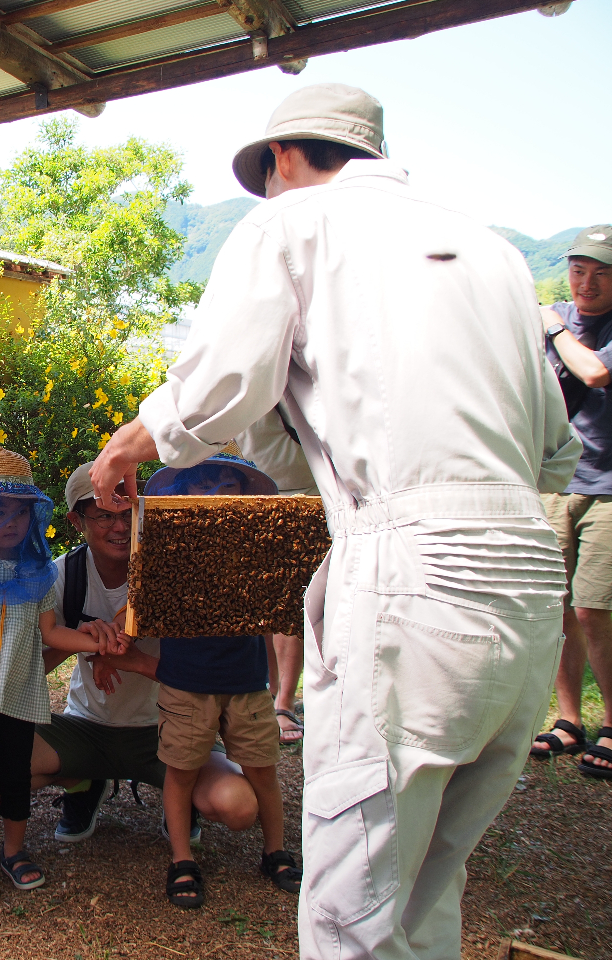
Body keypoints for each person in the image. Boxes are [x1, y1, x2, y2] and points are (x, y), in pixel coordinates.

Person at [90, 84, 579, 959]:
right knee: (429, 881)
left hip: (412, 572)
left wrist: (129, 447)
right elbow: (554, 453)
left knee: (354, 896)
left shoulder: (291, 226)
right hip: (530, 575)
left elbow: (216, 386)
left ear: (284, 160)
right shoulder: (497, 253)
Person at [36, 462, 264, 845]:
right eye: (104, 516)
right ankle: (84, 785)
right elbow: (28, 668)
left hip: (168, 731)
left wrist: (132, 660)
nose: (121, 527)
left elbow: (213, 675)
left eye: (129, 513)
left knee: (237, 806)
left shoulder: (176, 572)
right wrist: (81, 639)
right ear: (77, 521)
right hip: (86, 728)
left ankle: (183, 797)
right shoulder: (61, 578)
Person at [0, 448, 120, 899]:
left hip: (19, 691)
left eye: (19, 512)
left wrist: (98, 642)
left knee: (15, 775)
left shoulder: (35, 573)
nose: (10, 522)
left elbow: (52, 632)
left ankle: (14, 850)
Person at [137, 456, 301, 910]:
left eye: (225, 484)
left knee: (263, 771)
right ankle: (181, 859)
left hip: (246, 682)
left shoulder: (255, 547)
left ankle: (276, 851)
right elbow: (141, 602)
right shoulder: (167, 547)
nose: (212, 494)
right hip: (186, 682)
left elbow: (273, 620)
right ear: (181, 494)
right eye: (202, 485)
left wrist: (272, 684)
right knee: (182, 772)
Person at [532, 227, 612, 779]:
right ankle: (568, 719)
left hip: (608, 487)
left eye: (602, 271)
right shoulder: (546, 316)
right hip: (555, 483)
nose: (587, 282)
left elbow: (595, 372)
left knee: (594, 609)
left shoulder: (555, 321)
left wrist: (554, 326)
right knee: (557, 608)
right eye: (580, 269)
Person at [234, 409, 319, 745]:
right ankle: (269, 695)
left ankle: (284, 703)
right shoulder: (231, 376)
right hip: (258, 494)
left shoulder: (292, 363)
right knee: (264, 603)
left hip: (306, 493)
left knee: (288, 603)